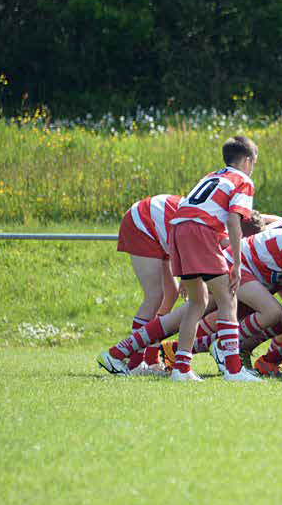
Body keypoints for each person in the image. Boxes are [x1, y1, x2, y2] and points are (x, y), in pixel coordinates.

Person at [104, 135, 262, 382]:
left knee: (198, 302)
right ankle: (234, 370)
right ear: (249, 161)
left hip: (178, 229)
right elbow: (233, 220)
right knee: (227, 299)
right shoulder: (243, 181)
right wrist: (238, 265)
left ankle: (182, 368)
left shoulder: (212, 175)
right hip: (199, 231)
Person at [114, 193, 181, 373]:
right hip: (143, 222)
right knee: (155, 295)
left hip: (162, 230)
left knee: (171, 294)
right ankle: (134, 363)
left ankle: (151, 359)